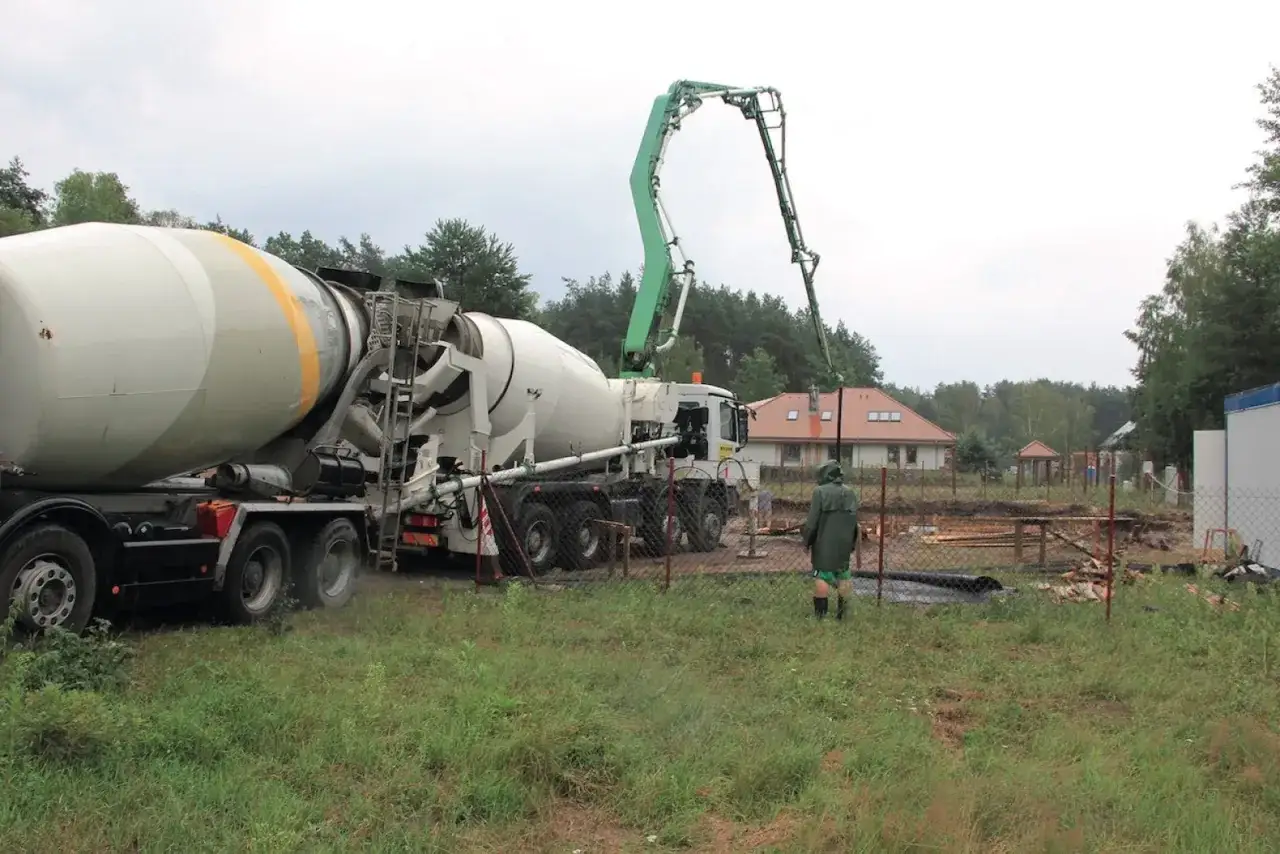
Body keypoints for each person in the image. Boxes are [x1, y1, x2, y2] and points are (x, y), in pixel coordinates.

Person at [802, 460, 859, 620]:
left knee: (822, 575)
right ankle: (842, 615)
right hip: (845, 542)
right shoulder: (850, 492)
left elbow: (812, 521)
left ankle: (820, 616)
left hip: (824, 542)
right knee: (843, 574)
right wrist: (852, 543)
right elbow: (854, 520)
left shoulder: (819, 492)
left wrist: (807, 540)